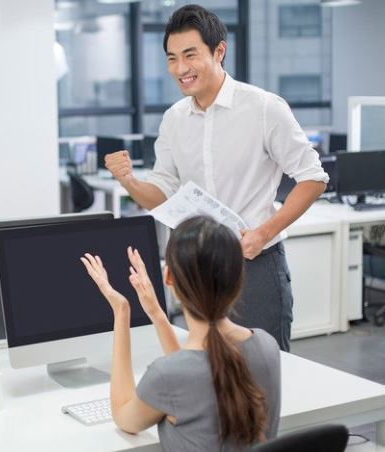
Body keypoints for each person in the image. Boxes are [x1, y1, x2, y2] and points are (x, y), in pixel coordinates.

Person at [104, 4, 328, 352]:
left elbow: (313, 178)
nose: (180, 68)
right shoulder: (174, 119)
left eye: (190, 55)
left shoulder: (264, 108)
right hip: (198, 267)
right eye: (172, 58)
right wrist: (129, 182)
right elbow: (162, 193)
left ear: (219, 51)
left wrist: (263, 233)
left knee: (263, 370)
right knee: (205, 370)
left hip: (253, 264)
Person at [81, 215, 281, 451]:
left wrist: (121, 311)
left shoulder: (166, 375)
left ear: (169, 277)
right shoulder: (267, 346)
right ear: (239, 277)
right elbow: (194, 372)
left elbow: (124, 416)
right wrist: (156, 313)